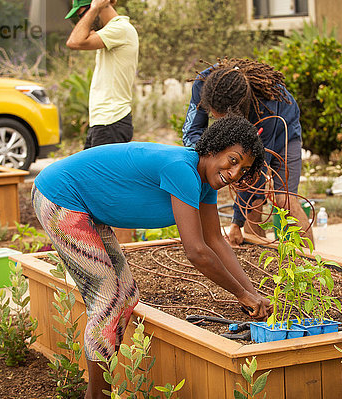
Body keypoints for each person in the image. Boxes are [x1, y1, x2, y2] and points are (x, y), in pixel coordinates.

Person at [32, 115, 271, 399]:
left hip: (85, 210)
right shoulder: (181, 168)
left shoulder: (204, 182)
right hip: (61, 197)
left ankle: (99, 386)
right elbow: (196, 251)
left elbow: (215, 240)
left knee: (127, 296)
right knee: (107, 299)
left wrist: (252, 295)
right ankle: (97, 396)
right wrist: (241, 295)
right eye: (232, 160)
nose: (234, 173)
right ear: (213, 148)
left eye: (242, 169)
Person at [182, 58, 314, 246]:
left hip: (284, 129)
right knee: (253, 206)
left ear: (239, 109)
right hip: (251, 124)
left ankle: (311, 265)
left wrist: (236, 221)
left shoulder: (265, 104)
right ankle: (261, 263)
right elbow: (192, 131)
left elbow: (255, 169)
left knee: (284, 199)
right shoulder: (203, 84)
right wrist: (207, 158)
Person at [65, 0, 139, 149]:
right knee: (87, 172)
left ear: (98, 5)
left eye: (83, 15)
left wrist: (94, 8)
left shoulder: (120, 29)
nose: (84, 21)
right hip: (105, 123)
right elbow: (80, 38)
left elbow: (74, 42)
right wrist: (94, 10)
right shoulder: (111, 32)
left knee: (102, 173)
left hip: (111, 122)